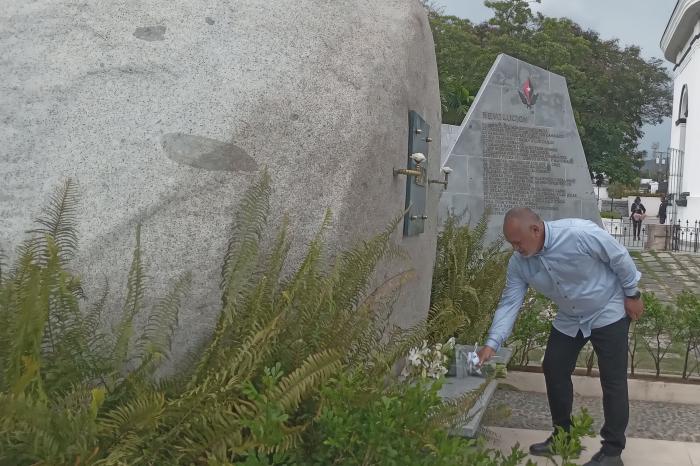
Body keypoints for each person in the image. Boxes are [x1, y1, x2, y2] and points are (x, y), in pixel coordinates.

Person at [477, 208, 643, 466]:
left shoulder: (578, 233)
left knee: (613, 380)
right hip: (570, 315)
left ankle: (612, 452)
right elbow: (510, 302)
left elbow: (619, 257)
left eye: (518, 242)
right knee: (554, 367)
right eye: (511, 244)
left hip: (606, 308)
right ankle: (563, 437)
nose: (515, 249)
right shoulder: (519, 262)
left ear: (536, 229)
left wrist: (632, 294)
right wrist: (492, 343)